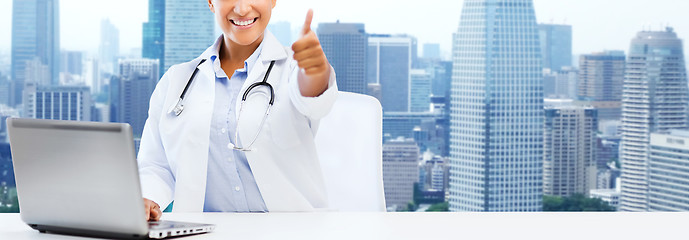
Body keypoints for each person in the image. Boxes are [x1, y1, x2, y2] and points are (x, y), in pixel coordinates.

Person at [137, 0, 338, 221]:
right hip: (205, 232)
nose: (242, 9)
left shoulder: (293, 69)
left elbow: (314, 98)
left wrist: (315, 71)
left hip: (289, 230)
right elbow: (156, 164)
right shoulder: (177, 80)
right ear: (211, 3)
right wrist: (148, 199)